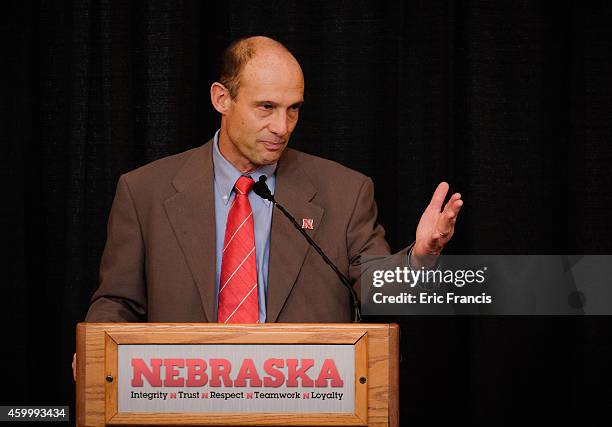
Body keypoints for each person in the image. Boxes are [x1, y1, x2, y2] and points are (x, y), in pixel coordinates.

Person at [73, 36, 463, 378]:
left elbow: (375, 291)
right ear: (221, 99)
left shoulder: (345, 192)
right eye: (266, 107)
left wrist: (421, 258)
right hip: (183, 399)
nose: (283, 126)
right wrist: (95, 351)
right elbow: (118, 302)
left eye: (293, 108)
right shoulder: (144, 192)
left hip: (308, 402)